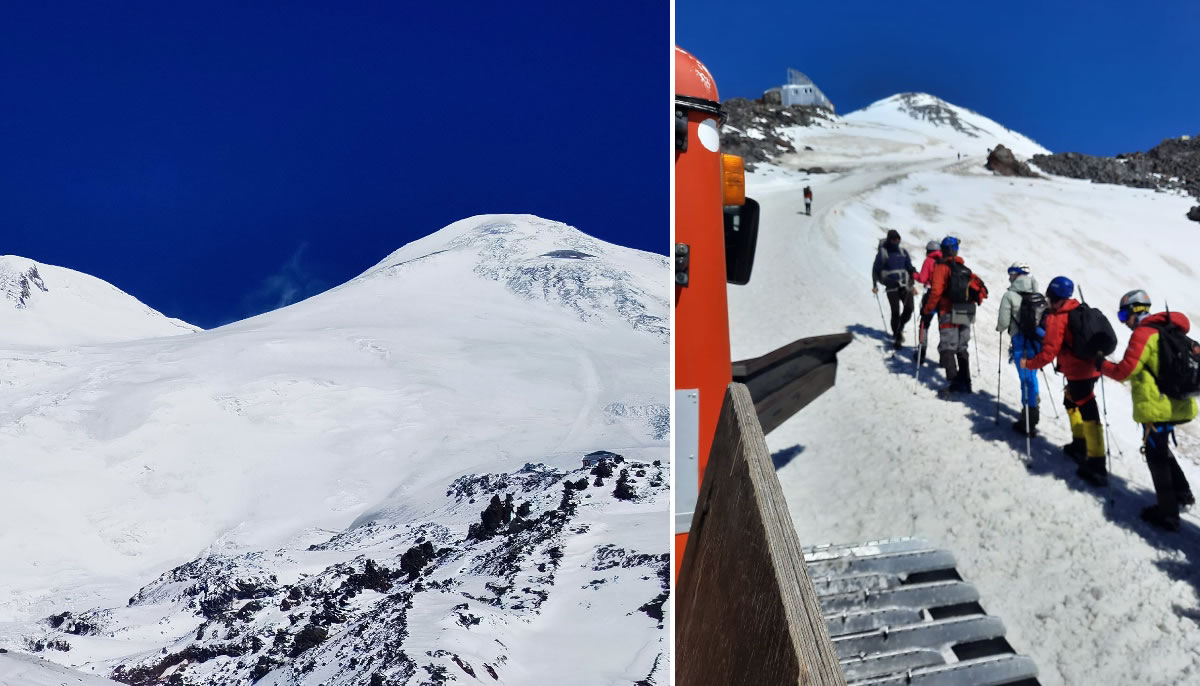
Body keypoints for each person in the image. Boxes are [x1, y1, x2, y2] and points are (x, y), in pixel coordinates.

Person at [1098, 289, 1196, 531]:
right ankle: (1182, 493)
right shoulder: (1171, 331)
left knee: (1156, 456)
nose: (1124, 321)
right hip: (1177, 403)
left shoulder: (1144, 334)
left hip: (1156, 407)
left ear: (1136, 311)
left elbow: (1124, 371)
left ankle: (1167, 513)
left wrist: (1101, 365)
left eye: (1124, 315)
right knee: (1161, 448)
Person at [1021, 276, 1107, 486]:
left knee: (1088, 411)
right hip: (1092, 369)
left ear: (1053, 296)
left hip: (1078, 373)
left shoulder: (1058, 318)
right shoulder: (1080, 309)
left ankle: (1096, 463)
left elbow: (1048, 353)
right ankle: (1080, 444)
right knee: (1073, 403)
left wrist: (1028, 363)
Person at [922, 235, 987, 396]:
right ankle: (966, 382)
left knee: (947, 347)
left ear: (943, 250)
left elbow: (936, 291)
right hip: (965, 309)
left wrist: (928, 309)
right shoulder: (965, 269)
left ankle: (954, 382)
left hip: (947, 309)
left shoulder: (941, 267)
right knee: (962, 347)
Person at [996, 262, 1041, 435]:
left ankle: (1029, 417)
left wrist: (1000, 328)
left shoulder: (1010, 295)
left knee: (1025, 379)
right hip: (1036, 342)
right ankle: (1034, 403)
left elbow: (1003, 323)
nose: (1009, 277)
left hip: (1020, 342)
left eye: (1011, 273)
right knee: (1032, 375)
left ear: (1016, 274)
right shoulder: (1037, 294)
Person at [871, 229, 918, 350]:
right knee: (895, 311)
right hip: (891, 286)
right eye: (893, 239)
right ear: (888, 239)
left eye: (897, 239)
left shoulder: (903, 252)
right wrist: (875, 285)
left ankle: (899, 327)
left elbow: (908, 266)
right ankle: (897, 337)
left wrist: (913, 272)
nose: (895, 241)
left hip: (905, 285)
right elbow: (875, 269)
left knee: (909, 308)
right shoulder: (883, 253)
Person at [913, 240, 942, 364]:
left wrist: (913, 274)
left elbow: (922, 278)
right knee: (943, 327)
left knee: (924, 324)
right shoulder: (945, 260)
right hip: (944, 297)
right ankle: (945, 358)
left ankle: (921, 353)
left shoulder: (929, 260)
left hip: (930, 295)